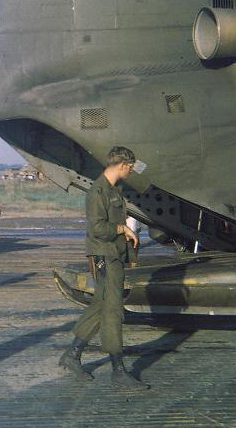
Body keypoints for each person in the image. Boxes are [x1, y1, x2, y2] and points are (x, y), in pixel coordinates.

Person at [59, 146, 149, 390]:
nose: (131, 172)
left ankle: (73, 355)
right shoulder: (98, 191)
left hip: (113, 256)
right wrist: (123, 229)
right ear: (122, 165)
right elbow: (98, 228)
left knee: (101, 306)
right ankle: (118, 371)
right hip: (106, 258)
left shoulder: (111, 190)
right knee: (113, 311)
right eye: (130, 168)